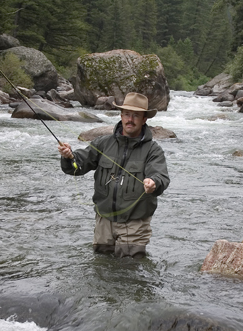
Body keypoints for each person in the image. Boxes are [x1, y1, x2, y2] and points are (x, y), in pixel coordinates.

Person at [58, 92, 170, 258]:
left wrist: (153, 183)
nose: (130, 119)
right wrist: (69, 157)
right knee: (101, 267)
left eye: (136, 116)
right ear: (121, 115)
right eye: (126, 114)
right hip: (104, 221)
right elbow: (77, 166)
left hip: (135, 222)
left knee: (128, 272)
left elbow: (160, 176)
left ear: (144, 119)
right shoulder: (103, 143)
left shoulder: (153, 150)